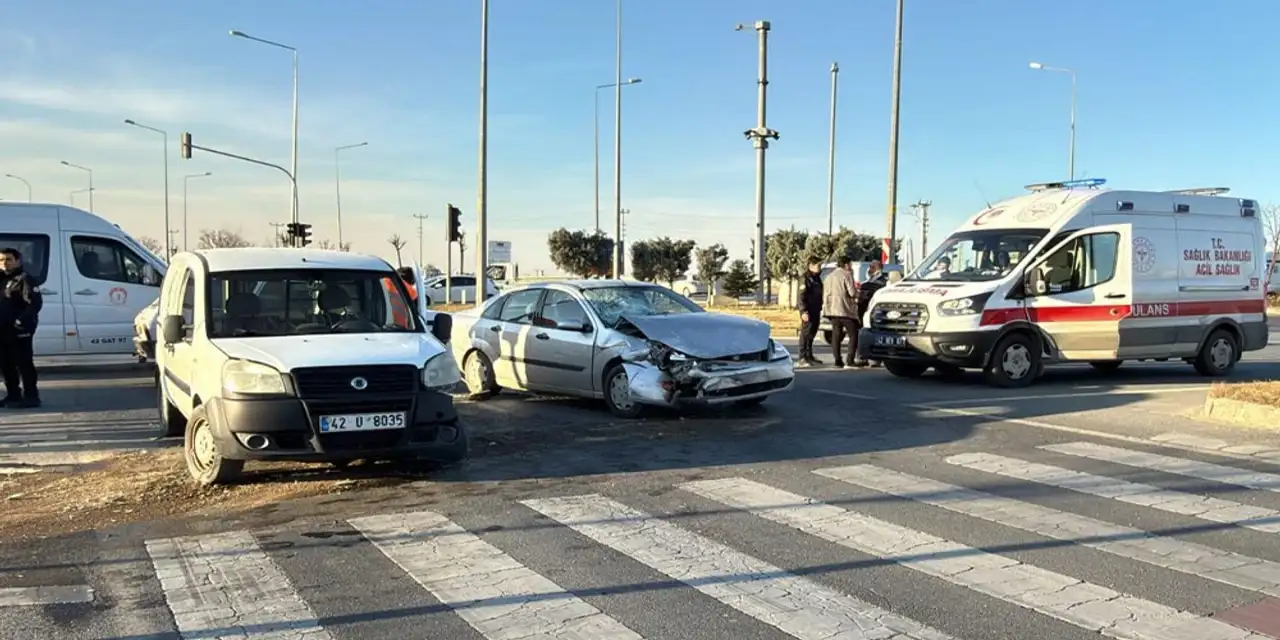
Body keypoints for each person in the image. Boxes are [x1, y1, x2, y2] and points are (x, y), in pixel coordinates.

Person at [0, 248, 43, 408]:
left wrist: (20, 321)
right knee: (5, 365)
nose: (5, 263)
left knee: (24, 363)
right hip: (2, 330)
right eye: (2, 260)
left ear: (18, 261)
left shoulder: (25, 279)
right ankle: (13, 395)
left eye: (8, 259)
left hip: (19, 331)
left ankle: (32, 396)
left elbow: (34, 303)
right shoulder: (1, 279)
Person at [821, 255, 861, 368]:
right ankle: (850, 360)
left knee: (836, 335)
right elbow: (852, 293)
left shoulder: (829, 276)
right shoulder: (847, 275)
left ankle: (837, 360)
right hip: (845, 309)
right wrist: (859, 293)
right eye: (850, 264)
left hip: (832, 310)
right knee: (853, 335)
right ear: (846, 264)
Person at [855, 260, 890, 368]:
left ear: (877, 268)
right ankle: (862, 357)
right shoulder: (867, 282)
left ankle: (875, 358)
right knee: (863, 334)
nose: (869, 269)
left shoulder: (883, 282)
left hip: (875, 312)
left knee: (875, 333)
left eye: (871, 267)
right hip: (863, 311)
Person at [795, 257, 824, 366]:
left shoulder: (816, 278)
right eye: (818, 266)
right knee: (806, 333)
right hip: (808, 310)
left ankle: (809, 355)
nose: (820, 268)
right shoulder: (805, 278)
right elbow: (801, 296)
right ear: (811, 266)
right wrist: (803, 311)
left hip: (816, 309)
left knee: (812, 333)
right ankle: (802, 357)